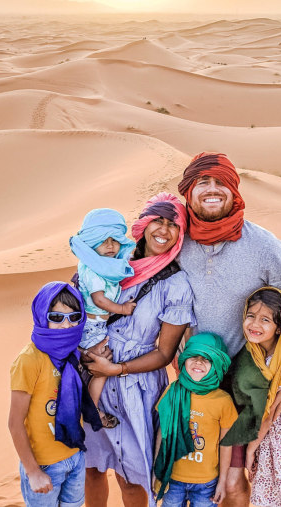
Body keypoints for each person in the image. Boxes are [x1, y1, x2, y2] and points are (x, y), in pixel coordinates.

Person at [175, 152, 281, 506]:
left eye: (220, 182)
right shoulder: (177, 244)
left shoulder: (264, 246)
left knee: (235, 482)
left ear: (234, 191)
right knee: (194, 477)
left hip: (244, 390)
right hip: (190, 384)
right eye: (202, 182)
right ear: (188, 192)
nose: (211, 189)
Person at [81, 192, 195, 507]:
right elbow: (78, 304)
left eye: (174, 224)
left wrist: (116, 369)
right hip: (90, 380)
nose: (164, 230)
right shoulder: (111, 261)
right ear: (143, 224)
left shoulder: (176, 284)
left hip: (137, 387)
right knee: (91, 468)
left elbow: (165, 353)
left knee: (131, 478)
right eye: (158, 220)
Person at [222, 287, 281, 506]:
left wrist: (252, 448)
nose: (255, 325)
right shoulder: (252, 352)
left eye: (265, 319)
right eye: (251, 316)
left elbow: (271, 412)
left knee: (270, 497)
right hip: (260, 435)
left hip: (275, 440)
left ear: (279, 327)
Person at [8, 282, 103, 507]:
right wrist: (32, 472)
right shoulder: (29, 360)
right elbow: (14, 423)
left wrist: (102, 372)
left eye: (73, 317)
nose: (66, 325)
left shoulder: (73, 354)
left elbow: (85, 402)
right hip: (44, 466)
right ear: (42, 316)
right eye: (56, 317)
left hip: (75, 457)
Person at [70, 208, 136, 427]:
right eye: (103, 241)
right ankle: (92, 409)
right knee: (101, 369)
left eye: (115, 240)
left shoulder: (103, 266)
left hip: (97, 325)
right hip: (92, 326)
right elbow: (99, 300)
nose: (110, 246)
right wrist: (123, 308)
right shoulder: (94, 269)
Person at [153, 333, 237, 507]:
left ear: (217, 366)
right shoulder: (172, 391)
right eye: (194, 356)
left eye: (206, 359)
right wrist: (157, 468)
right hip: (172, 479)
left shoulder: (223, 401)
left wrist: (222, 481)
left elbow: (226, 444)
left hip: (206, 484)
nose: (198, 362)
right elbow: (163, 432)